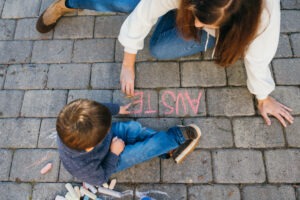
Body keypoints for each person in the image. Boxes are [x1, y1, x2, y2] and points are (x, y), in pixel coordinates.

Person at [36, 0, 294, 127]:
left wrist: (263, 97)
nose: (195, 25)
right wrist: (128, 60)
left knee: (160, 47)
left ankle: (180, 17)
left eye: (206, 23)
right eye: (196, 16)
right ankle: (68, 3)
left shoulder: (263, 20)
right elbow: (143, 14)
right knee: (130, 2)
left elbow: (258, 59)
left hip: (222, 20)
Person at [56, 99, 201, 185]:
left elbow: (100, 110)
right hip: (109, 160)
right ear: (90, 148)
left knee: (133, 128)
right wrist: (114, 153)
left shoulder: (78, 119)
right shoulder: (81, 167)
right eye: (106, 129)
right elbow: (100, 178)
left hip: (110, 142)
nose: (108, 127)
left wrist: (118, 109)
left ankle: (165, 150)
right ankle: (176, 137)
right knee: (141, 151)